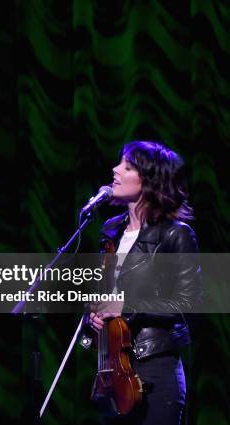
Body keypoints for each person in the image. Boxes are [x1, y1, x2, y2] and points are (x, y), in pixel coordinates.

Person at [86, 141, 202, 425]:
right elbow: (104, 293)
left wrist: (126, 305)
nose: (115, 170)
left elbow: (190, 303)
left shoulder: (176, 235)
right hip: (114, 372)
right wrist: (94, 315)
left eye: (127, 166)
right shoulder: (111, 231)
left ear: (149, 179)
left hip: (155, 370)